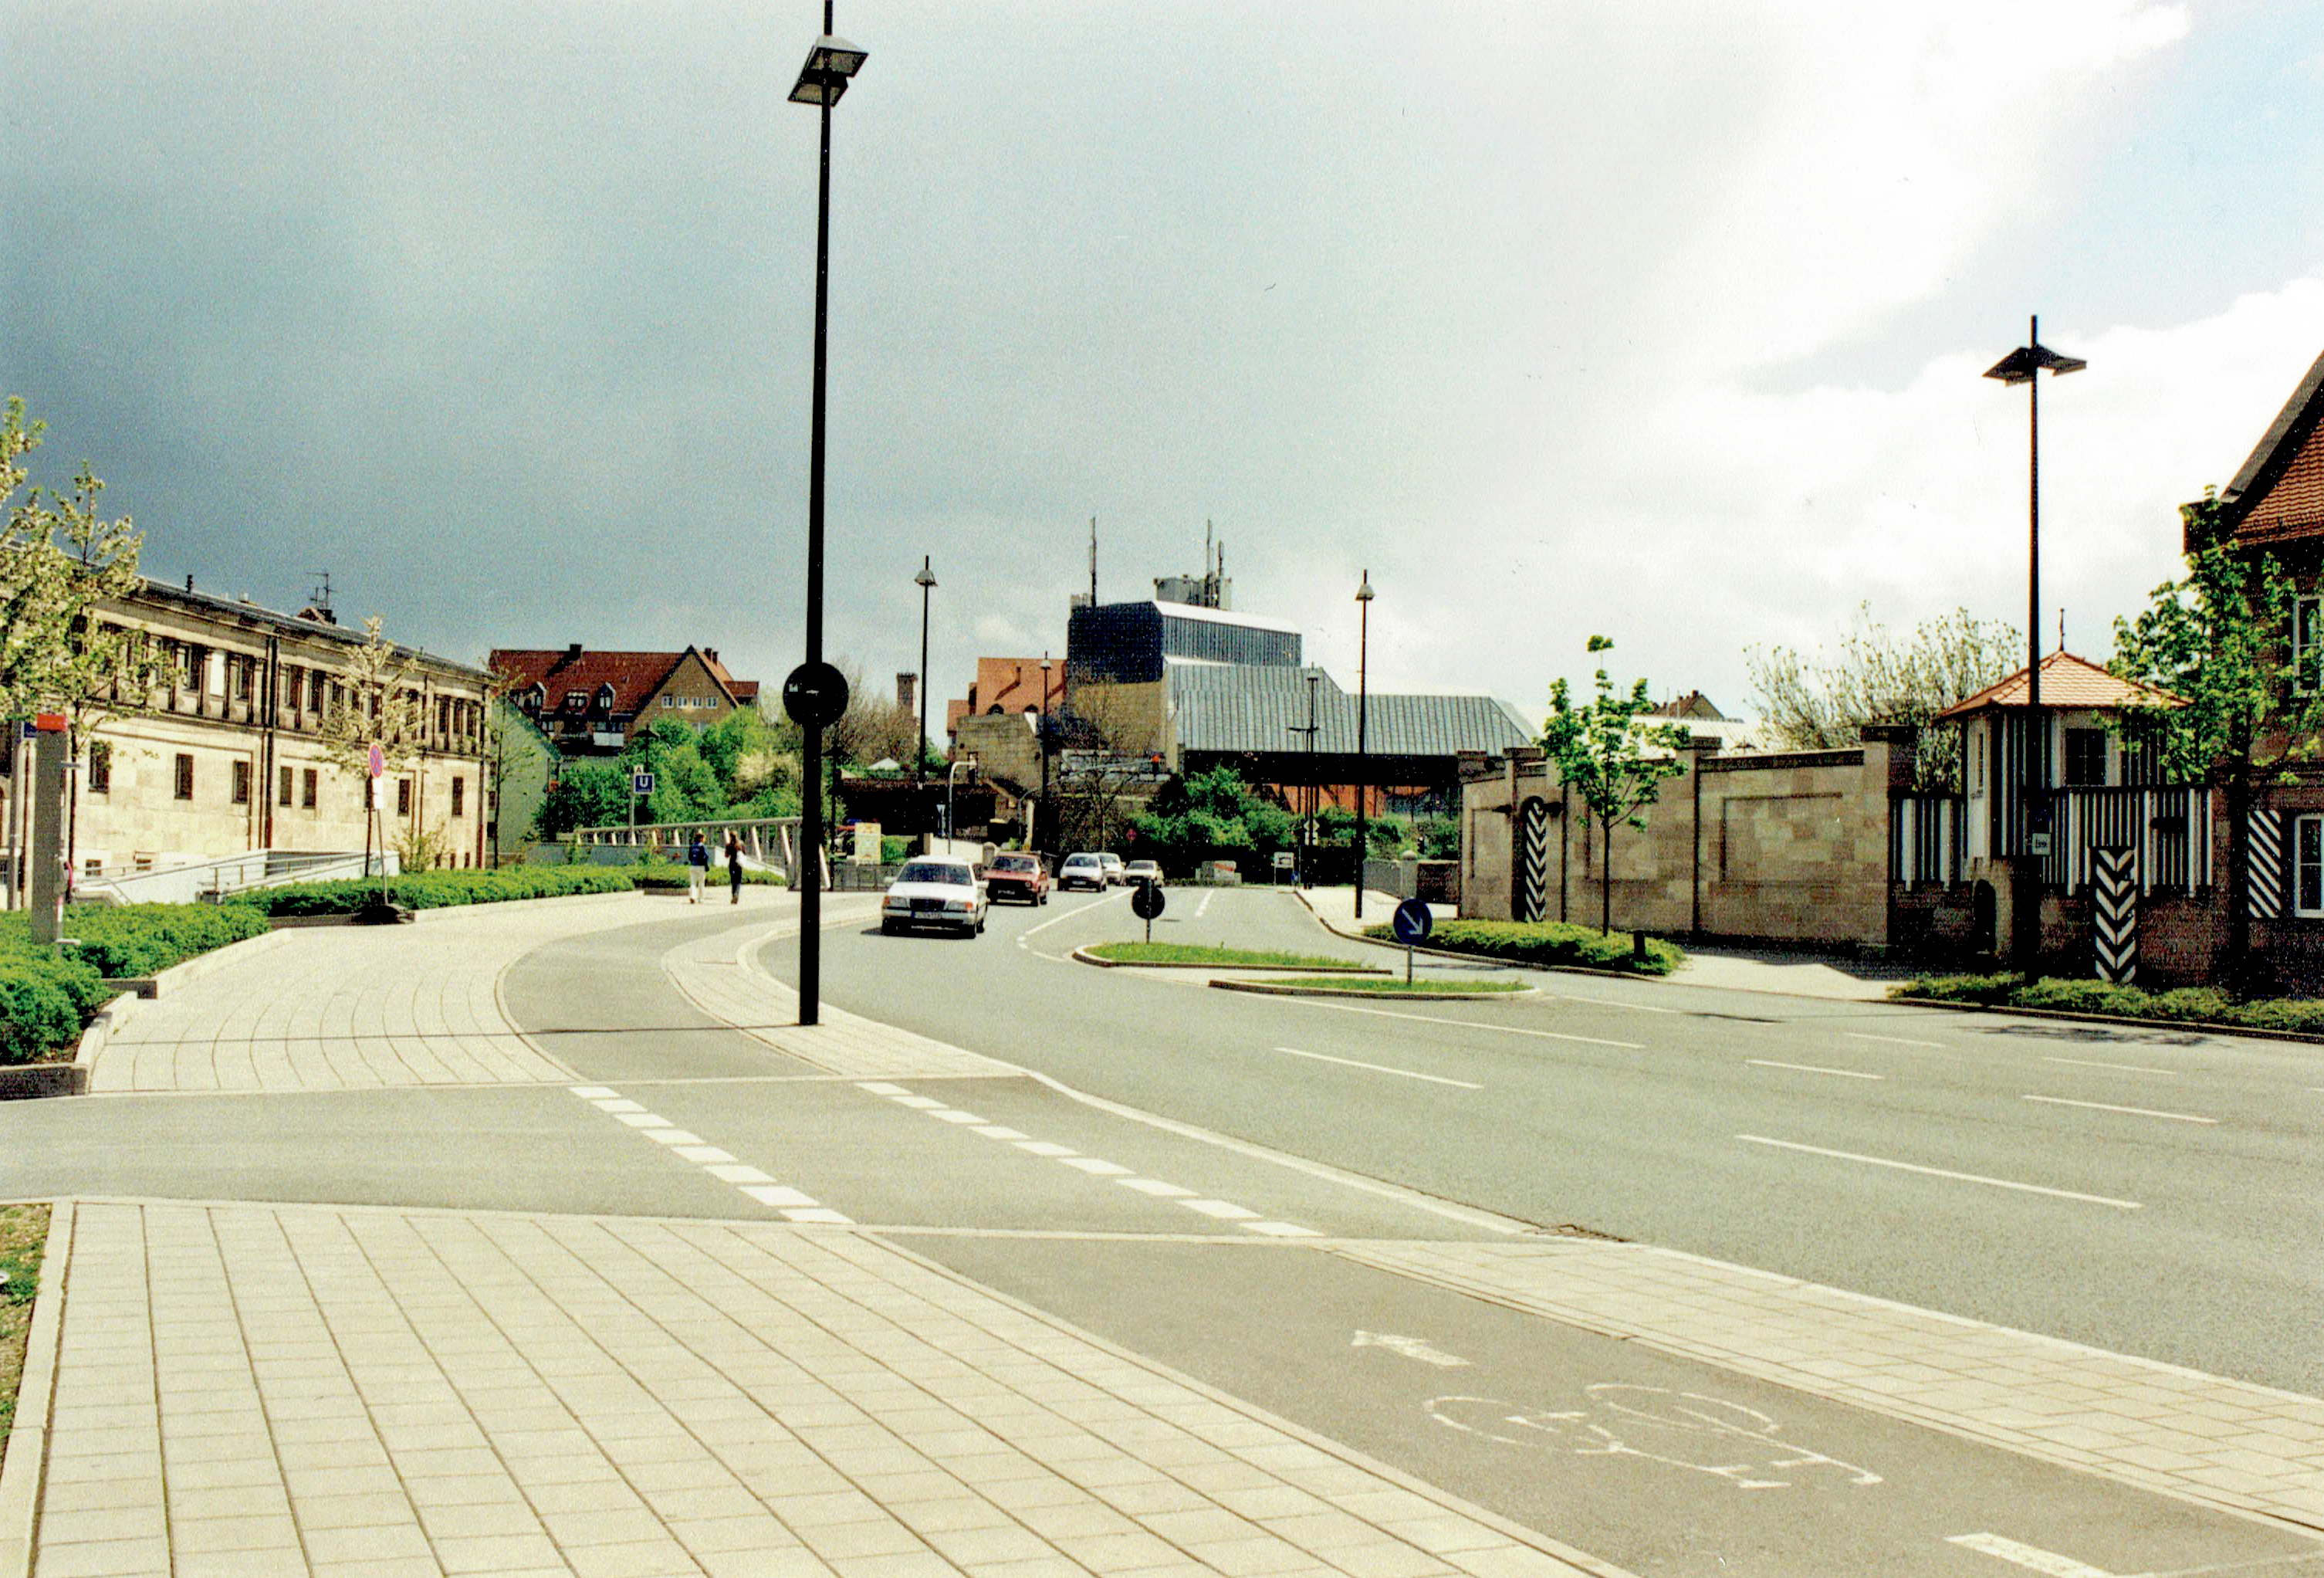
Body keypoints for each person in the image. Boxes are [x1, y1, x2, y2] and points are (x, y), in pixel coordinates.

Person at [685, 831, 709, 903]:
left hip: (693, 866)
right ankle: (700, 899)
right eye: (704, 838)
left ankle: (692, 896)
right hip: (701, 866)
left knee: (693, 883)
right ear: (701, 839)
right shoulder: (702, 846)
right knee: (701, 883)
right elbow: (706, 856)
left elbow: (689, 856)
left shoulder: (692, 846)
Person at [725, 831, 744, 904]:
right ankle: (736, 894)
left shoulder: (729, 845)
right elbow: (745, 853)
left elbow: (726, 856)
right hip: (739, 864)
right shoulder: (740, 844)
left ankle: (733, 896)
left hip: (732, 864)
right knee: (738, 881)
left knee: (733, 881)